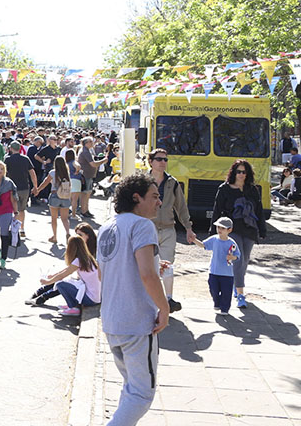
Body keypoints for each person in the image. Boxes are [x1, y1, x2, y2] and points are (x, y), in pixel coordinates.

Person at [97, 173, 169, 426]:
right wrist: (164, 308)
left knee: (131, 388)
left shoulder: (107, 226)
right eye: (155, 196)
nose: (159, 202)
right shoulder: (142, 226)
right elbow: (147, 274)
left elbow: (106, 272)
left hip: (112, 321)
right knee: (141, 394)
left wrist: (154, 267)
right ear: (137, 198)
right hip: (137, 322)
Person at [211, 159, 267, 309]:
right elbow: (217, 210)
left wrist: (262, 229)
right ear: (233, 173)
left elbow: (259, 210)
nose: (241, 174)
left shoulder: (252, 189)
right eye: (239, 172)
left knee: (245, 259)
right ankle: (241, 294)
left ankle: (237, 285)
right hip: (232, 229)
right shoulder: (224, 189)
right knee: (238, 258)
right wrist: (213, 231)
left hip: (249, 229)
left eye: (244, 172)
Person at [146, 148, 196, 314]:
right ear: (151, 162)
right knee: (149, 266)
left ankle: (168, 300)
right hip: (148, 228)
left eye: (165, 160)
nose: (163, 163)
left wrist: (188, 228)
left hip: (168, 229)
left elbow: (181, 207)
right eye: (159, 159)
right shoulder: (143, 181)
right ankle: (149, 299)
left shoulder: (172, 183)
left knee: (167, 265)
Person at [25, 236, 100, 316]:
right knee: (64, 281)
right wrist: (53, 276)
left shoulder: (78, 261)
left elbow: (63, 275)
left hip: (90, 299)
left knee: (60, 284)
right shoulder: (87, 258)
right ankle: (71, 304)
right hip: (95, 298)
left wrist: (48, 282)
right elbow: (66, 270)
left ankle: (73, 307)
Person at [191, 217, 240, 316]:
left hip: (227, 273)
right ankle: (217, 303)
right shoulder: (214, 239)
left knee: (226, 292)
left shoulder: (232, 243)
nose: (219, 230)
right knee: (213, 289)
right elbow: (203, 245)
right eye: (218, 227)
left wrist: (232, 257)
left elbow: (238, 256)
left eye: (223, 228)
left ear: (229, 230)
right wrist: (194, 240)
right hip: (214, 271)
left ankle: (225, 309)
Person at [34, 156, 73, 244]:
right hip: (65, 197)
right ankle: (67, 233)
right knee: (64, 218)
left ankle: (55, 237)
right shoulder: (66, 173)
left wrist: (38, 190)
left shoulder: (52, 173)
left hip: (55, 195)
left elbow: (45, 183)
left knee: (54, 218)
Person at [4, 141, 38, 236]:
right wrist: (35, 186)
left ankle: (14, 228)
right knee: (22, 209)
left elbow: (4, 173)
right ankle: (22, 228)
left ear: (11, 148)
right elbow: (32, 173)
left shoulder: (8, 159)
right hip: (24, 187)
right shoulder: (25, 159)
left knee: (12, 209)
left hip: (11, 188)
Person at [76, 137, 105, 219]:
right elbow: (93, 164)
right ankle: (84, 211)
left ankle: (86, 210)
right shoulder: (85, 151)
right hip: (86, 175)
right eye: (91, 141)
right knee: (85, 193)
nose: (93, 143)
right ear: (86, 143)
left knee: (87, 193)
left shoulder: (87, 150)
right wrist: (103, 161)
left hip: (88, 175)